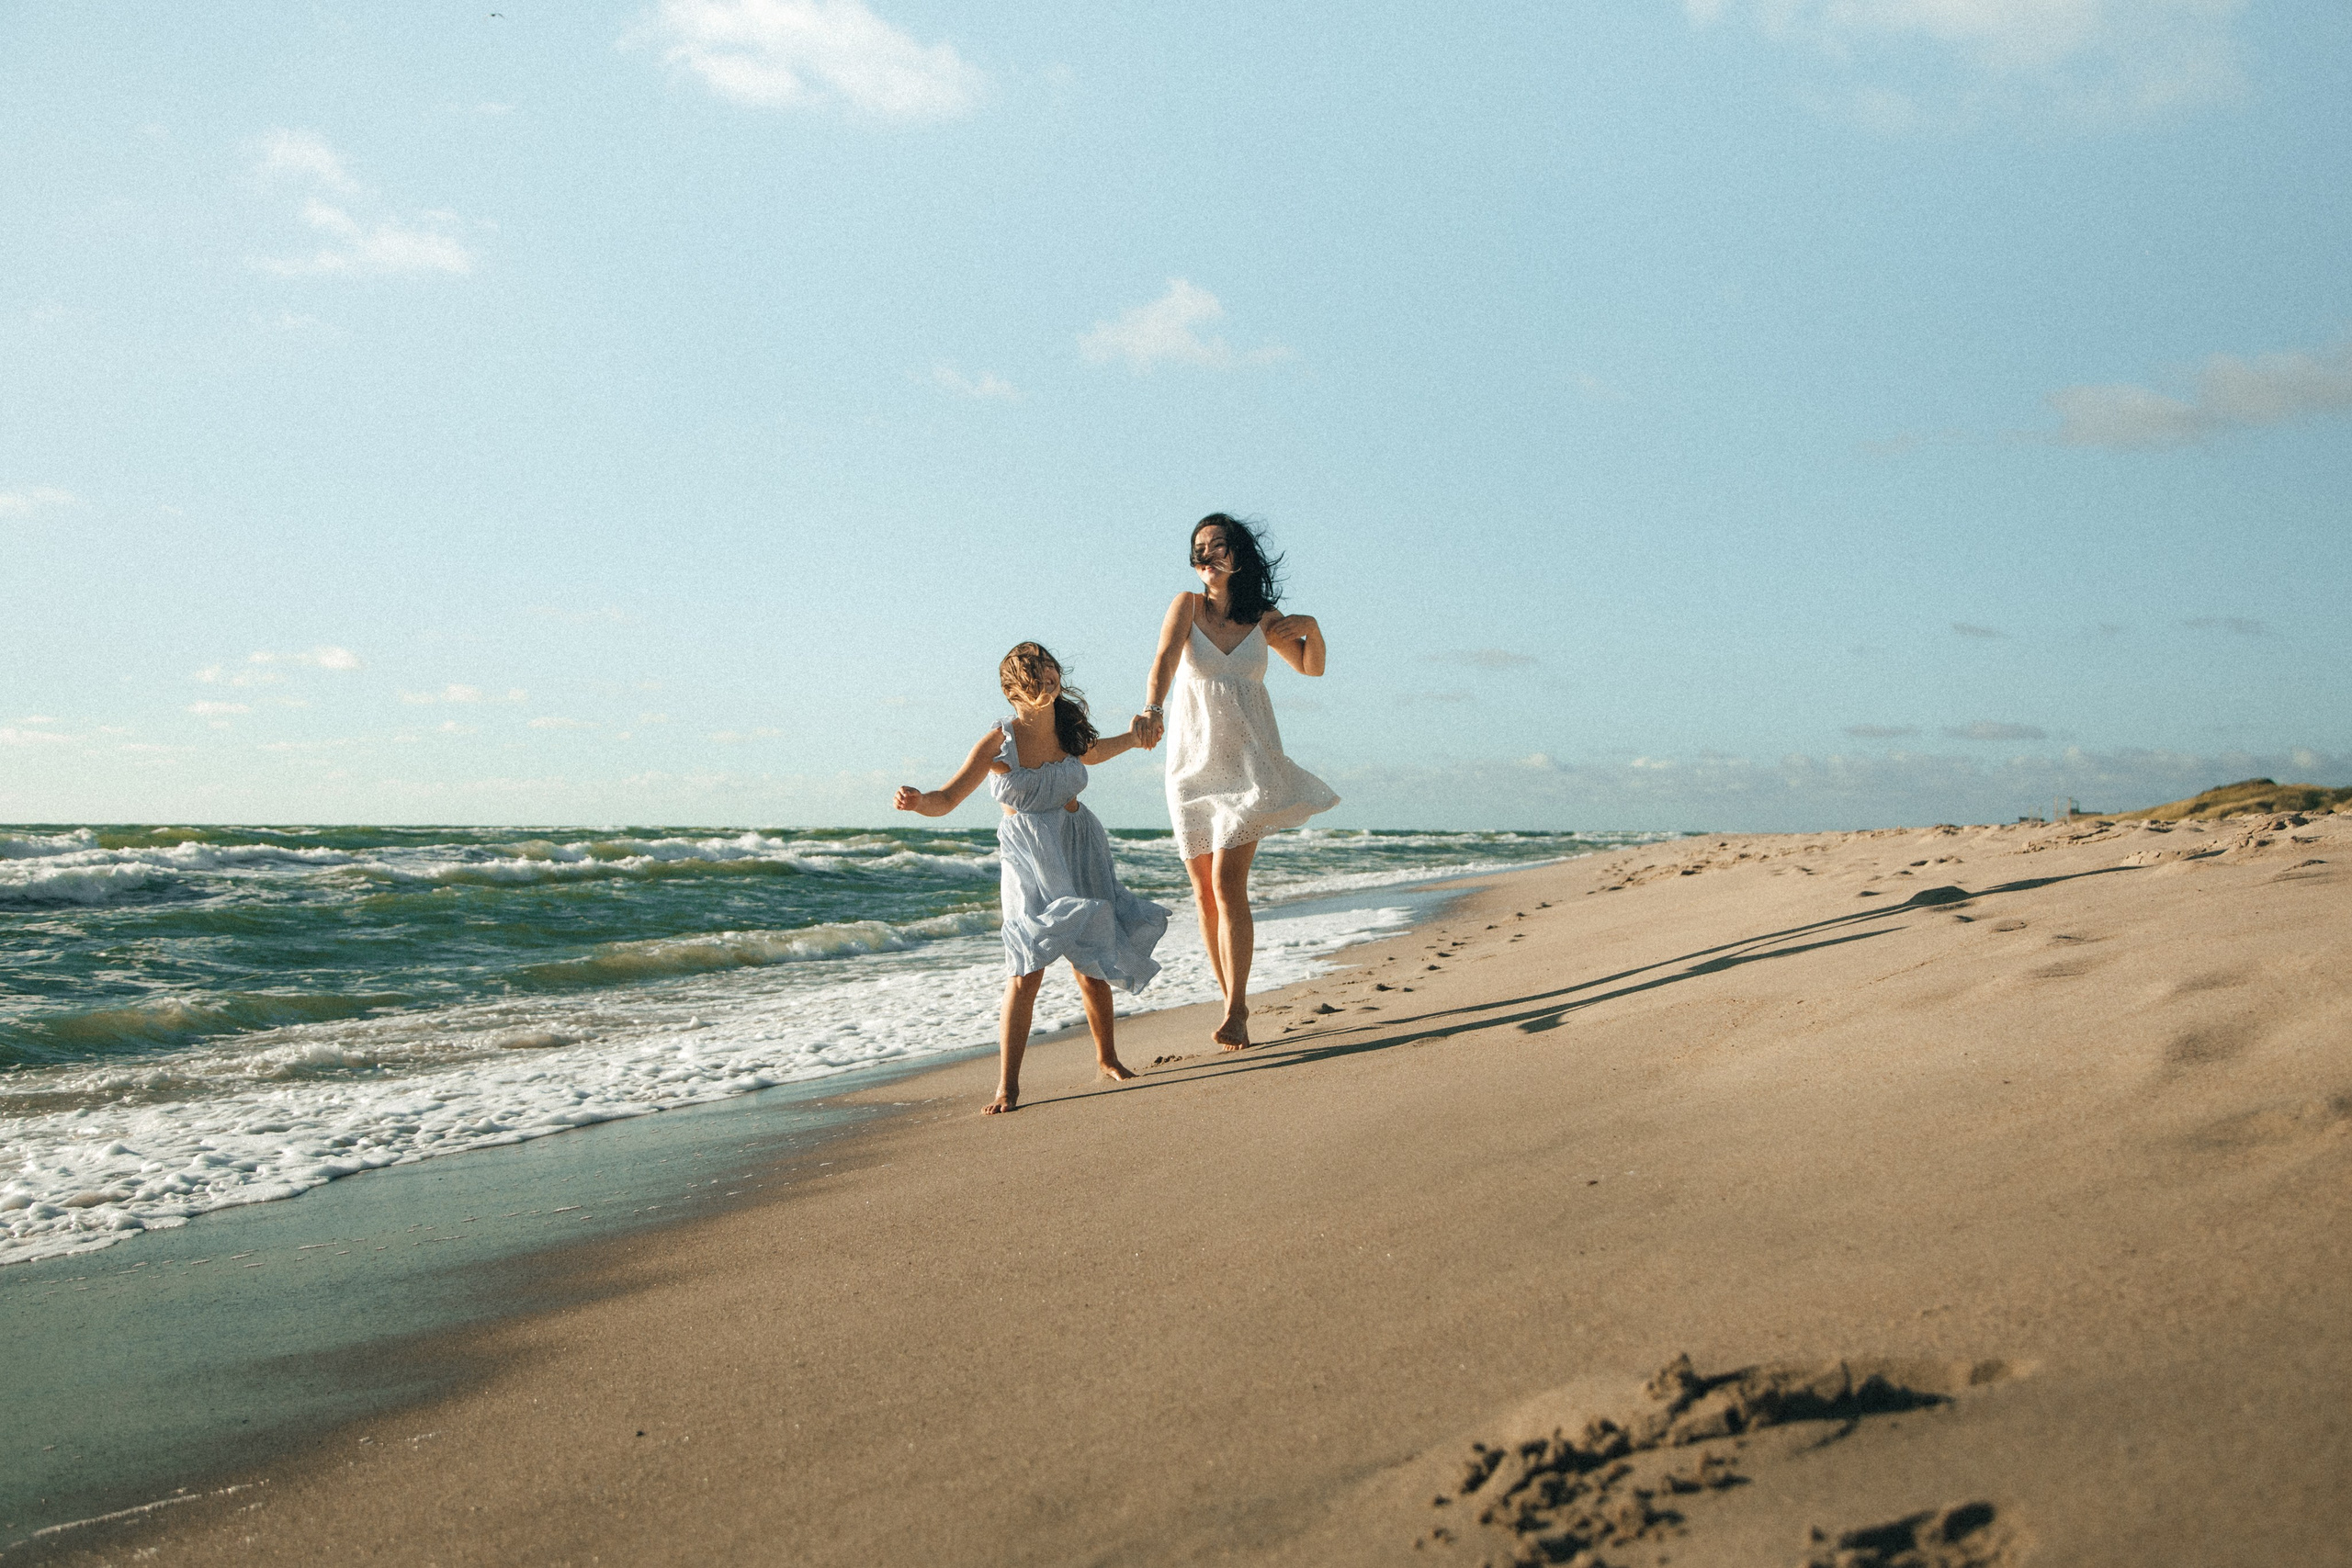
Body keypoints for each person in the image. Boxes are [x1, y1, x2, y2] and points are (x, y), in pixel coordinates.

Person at [895, 642, 1169, 1114]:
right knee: (1027, 967)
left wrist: (1136, 737)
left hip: (1080, 845)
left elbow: (1096, 752)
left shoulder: (1068, 730)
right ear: (1011, 689)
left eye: (1049, 666)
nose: (1046, 675)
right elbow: (948, 797)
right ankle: (1008, 1086)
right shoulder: (999, 742)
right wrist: (920, 801)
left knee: (1092, 957)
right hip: (1029, 858)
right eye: (1033, 670)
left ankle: (1107, 1058)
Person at [1135, 513, 1337, 1049]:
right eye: (1198, 549)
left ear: (1238, 555)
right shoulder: (1187, 605)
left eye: (1216, 547)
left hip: (1248, 763)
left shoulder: (1263, 617)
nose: (1205, 557)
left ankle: (1238, 1007)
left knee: (1227, 884)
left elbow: (1310, 669)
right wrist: (1152, 707)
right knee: (1204, 892)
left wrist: (1311, 629)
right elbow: (1162, 659)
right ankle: (1232, 1005)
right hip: (1190, 763)